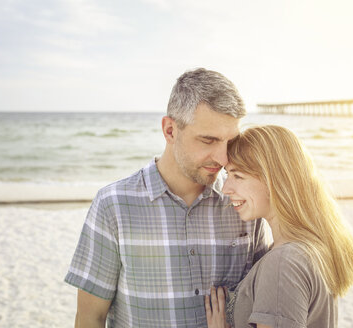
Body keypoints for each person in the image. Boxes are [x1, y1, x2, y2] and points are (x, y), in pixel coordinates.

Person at [64, 68, 271, 328]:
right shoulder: (113, 205)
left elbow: (263, 305)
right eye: (208, 140)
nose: (223, 158)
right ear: (170, 130)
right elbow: (90, 318)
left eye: (229, 142)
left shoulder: (245, 204)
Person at [205, 125, 353, 328]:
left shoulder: (284, 263)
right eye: (227, 175)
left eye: (238, 176)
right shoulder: (308, 249)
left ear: (274, 180)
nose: (226, 188)